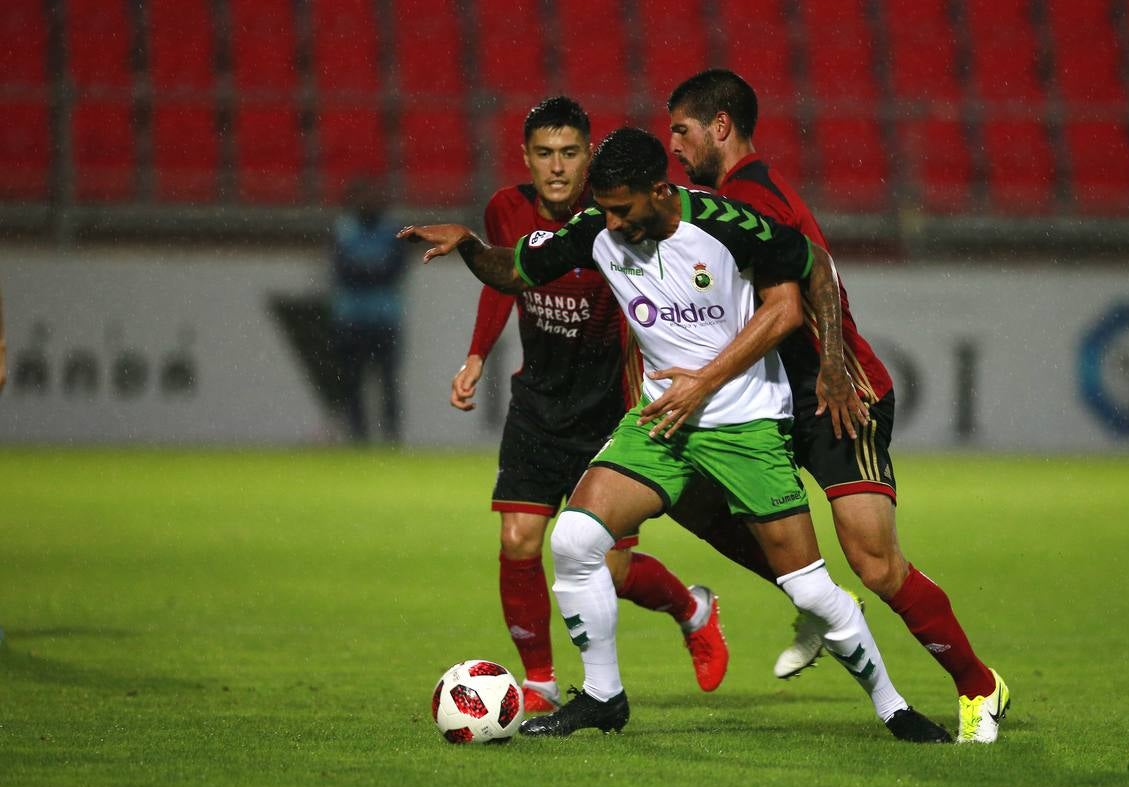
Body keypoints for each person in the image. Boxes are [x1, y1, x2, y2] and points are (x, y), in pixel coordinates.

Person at [399, 127, 951, 743]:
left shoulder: (725, 223)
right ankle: (604, 697)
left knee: (809, 587)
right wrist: (472, 246)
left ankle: (892, 706)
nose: (608, 223)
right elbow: (513, 270)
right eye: (602, 208)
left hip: (745, 425)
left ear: (660, 190)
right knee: (576, 539)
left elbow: (811, 268)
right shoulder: (595, 229)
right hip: (662, 422)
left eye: (622, 209)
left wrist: (828, 363)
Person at [666, 68, 1009, 743]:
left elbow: (817, 272)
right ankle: (819, 602)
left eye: (682, 129)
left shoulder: (753, 195)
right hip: (771, 399)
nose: (674, 144)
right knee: (686, 492)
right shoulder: (723, 196)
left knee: (876, 563)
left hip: (838, 395)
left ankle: (979, 686)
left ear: (721, 126)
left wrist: (829, 371)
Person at [448, 97, 728, 713]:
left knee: (614, 570)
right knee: (519, 540)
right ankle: (541, 684)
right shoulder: (506, 208)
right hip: (538, 404)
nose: (557, 167)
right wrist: (476, 355)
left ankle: (692, 608)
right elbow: (507, 281)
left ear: (589, 156)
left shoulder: (614, 215)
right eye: (544, 154)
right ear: (526, 158)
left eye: (570, 153)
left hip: (607, 408)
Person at [331, 178, 408, 443]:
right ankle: (358, 437)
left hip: (382, 318)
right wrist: (376, 270)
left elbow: (397, 270)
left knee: (388, 382)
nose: (369, 203)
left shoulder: (391, 231)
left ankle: (391, 436)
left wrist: (364, 270)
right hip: (353, 318)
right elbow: (342, 271)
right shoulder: (344, 230)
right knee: (352, 382)